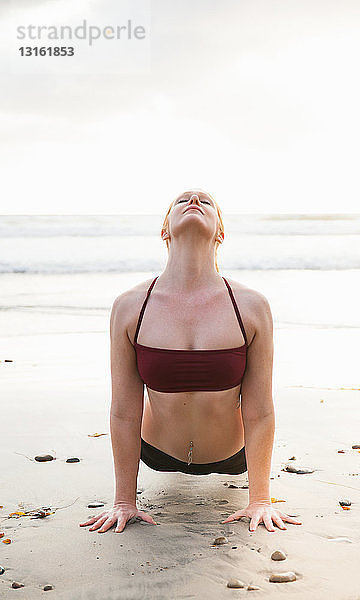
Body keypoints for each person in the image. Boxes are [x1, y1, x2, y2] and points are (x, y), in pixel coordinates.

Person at [79, 189, 302, 535]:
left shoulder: (251, 306)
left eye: (206, 201)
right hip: (154, 451)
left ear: (221, 233)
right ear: (165, 230)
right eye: (182, 201)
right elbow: (124, 410)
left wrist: (260, 499)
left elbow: (260, 409)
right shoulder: (130, 306)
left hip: (233, 456)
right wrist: (124, 501)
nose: (194, 201)